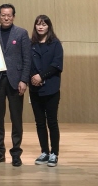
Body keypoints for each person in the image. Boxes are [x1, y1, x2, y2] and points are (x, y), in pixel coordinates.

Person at [0, 4, 31, 167]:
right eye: (3, 15)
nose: (6, 18)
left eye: (9, 15)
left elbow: (27, 59)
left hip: (16, 81)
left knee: (16, 118)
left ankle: (16, 153)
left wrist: (24, 80)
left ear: (13, 16)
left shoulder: (22, 33)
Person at [29, 15, 64, 168]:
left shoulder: (55, 43)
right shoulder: (31, 44)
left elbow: (57, 65)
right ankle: (44, 151)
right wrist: (33, 77)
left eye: (44, 24)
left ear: (48, 26)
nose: (41, 27)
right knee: (39, 122)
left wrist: (41, 76)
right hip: (35, 89)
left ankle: (54, 153)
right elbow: (27, 64)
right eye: (38, 24)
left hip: (51, 88)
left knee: (52, 121)